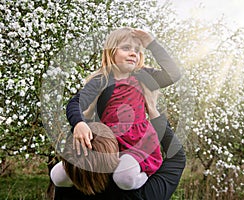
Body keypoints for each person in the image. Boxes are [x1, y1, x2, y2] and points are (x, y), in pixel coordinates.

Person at [61, 27, 182, 190]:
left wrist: (152, 44)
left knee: (124, 178)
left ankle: (144, 175)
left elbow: (173, 74)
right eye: (126, 48)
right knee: (59, 177)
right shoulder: (101, 80)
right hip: (108, 141)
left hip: (137, 141)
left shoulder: (144, 76)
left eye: (137, 50)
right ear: (111, 52)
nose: (133, 53)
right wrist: (79, 123)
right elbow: (75, 103)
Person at [53, 83, 186, 200]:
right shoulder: (143, 193)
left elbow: (75, 149)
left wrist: (82, 119)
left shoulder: (67, 186)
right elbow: (177, 157)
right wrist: (152, 109)